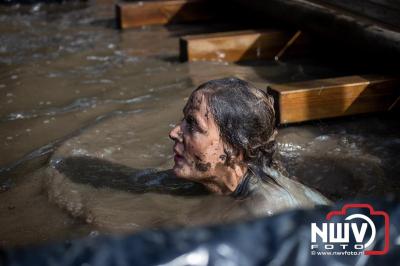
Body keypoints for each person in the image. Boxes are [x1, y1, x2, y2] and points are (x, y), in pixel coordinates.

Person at [169, 77, 330, 216]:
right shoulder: (207, 180)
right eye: (184, 119)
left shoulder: (265, 210)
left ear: (235, 149)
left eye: (192, 124)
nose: (174, 132)